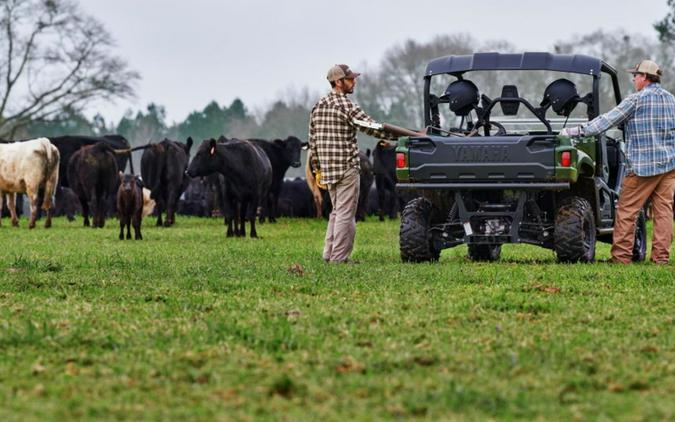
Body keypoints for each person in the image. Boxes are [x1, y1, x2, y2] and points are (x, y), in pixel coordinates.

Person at [561, 59, 675, 264]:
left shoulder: (636, 100)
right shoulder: (671, 100)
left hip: (642, 167)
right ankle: (661, 259)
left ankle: (621, 257)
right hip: (668, 166)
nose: (633, 80)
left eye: (635, 76)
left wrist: (576, 131)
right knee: (664, 212)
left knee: (626, 210)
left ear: (645, 78)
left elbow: (607, 121)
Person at [308, 64, 399, 263]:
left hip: (328, 170)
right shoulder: (346, 105)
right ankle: (339, 258)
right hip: (347, 168)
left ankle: (328, 254)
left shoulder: (318, 106)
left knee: (336, 211)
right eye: (350, 79)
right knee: (346, 214)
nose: (354, 81)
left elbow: (312, 142)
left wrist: (317, 168)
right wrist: (398, 135)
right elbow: (371, 127)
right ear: (338, 82)